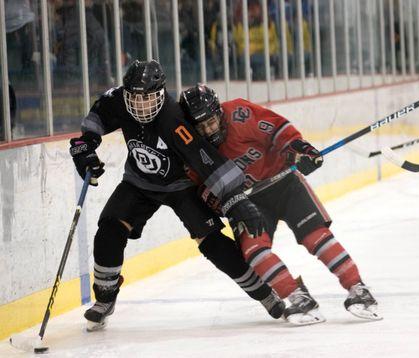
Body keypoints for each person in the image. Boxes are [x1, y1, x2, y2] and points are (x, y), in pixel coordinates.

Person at [69, 60, 284, 331]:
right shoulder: (119, 100)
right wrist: (85, 146)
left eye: (147, 97)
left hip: (180, 187)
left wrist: (235, 199)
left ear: (160, 93)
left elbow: (206, 161)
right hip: (139, 182)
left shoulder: (174, 119)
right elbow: (98, 115)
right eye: (135, 97)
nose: (141, 104)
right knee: (110, 227)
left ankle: (264, 293)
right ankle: (105, 299)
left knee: (212, 242)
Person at [179, 84, 381, 325]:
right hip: (247, 203)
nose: (208, 130)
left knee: (316, 237)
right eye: (200, 127)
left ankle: (358, 290)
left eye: (210, 122)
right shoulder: (194, 148)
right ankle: (298, 297)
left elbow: (278, 129)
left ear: (219, 112)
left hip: (285, 184)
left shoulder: (239, 113)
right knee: (254, 252)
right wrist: (226, 202)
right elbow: (202, 188)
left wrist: (301, 150)